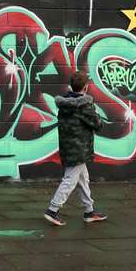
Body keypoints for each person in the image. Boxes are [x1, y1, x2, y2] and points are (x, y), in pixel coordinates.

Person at [43, 70, 107, 226]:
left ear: (71, 86)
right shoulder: (84, 106)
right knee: (70, 180)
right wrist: (95, 112)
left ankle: (89, 211)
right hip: (79, 149)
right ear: (86, 87)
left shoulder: (64, 103)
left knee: (83, 179)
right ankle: (53, 209)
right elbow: (98, 125)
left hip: (68, 146)